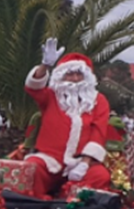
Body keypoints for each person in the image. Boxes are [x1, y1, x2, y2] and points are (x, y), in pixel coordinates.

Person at [22, 39, 112, 197]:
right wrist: (45, 66)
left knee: (100, 176)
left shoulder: (99, 100)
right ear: (61, 77)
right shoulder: (50, 96)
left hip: (80, 162)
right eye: (70, 74)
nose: (76, 79)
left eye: (80, 74)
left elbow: (98, 133)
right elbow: (33, 87)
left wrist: (84, 163)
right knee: (32, 168)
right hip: (49, 159)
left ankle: (68, 207)